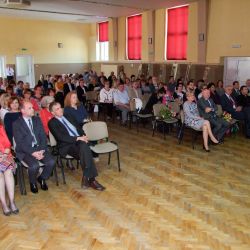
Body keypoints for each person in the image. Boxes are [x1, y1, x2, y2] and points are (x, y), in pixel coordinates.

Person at [48, 102, 105, 191]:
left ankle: (87, 178)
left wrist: (84, 136)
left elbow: (79, 128)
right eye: (57, 109)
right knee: (86, 150)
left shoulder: (68, 116)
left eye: (60, 107)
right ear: (52, 112)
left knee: (84, 149)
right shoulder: (52, 123)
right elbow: (61, 137)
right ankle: (92, 180)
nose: (60, 110)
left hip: (80, 142)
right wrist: (78, 138)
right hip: (67, 145)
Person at [13, 101, 55, 193]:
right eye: (30, 108)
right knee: (34, 165)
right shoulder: (17, 124)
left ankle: (42, 178)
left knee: (51, 162)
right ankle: (32, 182)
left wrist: (42, 150)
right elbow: (20, 143)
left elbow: (43, 137)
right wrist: (33, 152)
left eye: (32, 107)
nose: (33, 109)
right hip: (26, 150)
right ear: (22, 110)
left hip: (39, 148)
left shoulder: (37, 120)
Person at [0, 120, 18, 216]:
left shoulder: (1, 128)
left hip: (6, 156)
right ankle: (3, 204)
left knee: (8, 173)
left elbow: (7, 144)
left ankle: (11, 201)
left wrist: (5, 154)